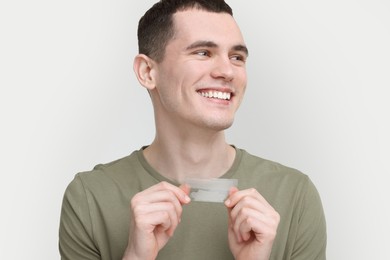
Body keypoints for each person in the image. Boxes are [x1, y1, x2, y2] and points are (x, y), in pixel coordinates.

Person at [59, 0, 327, 259]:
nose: (227, 71)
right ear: (147, 72)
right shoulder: (90, 197)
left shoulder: (295, 196)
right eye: (203, 53)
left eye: (236, 57)